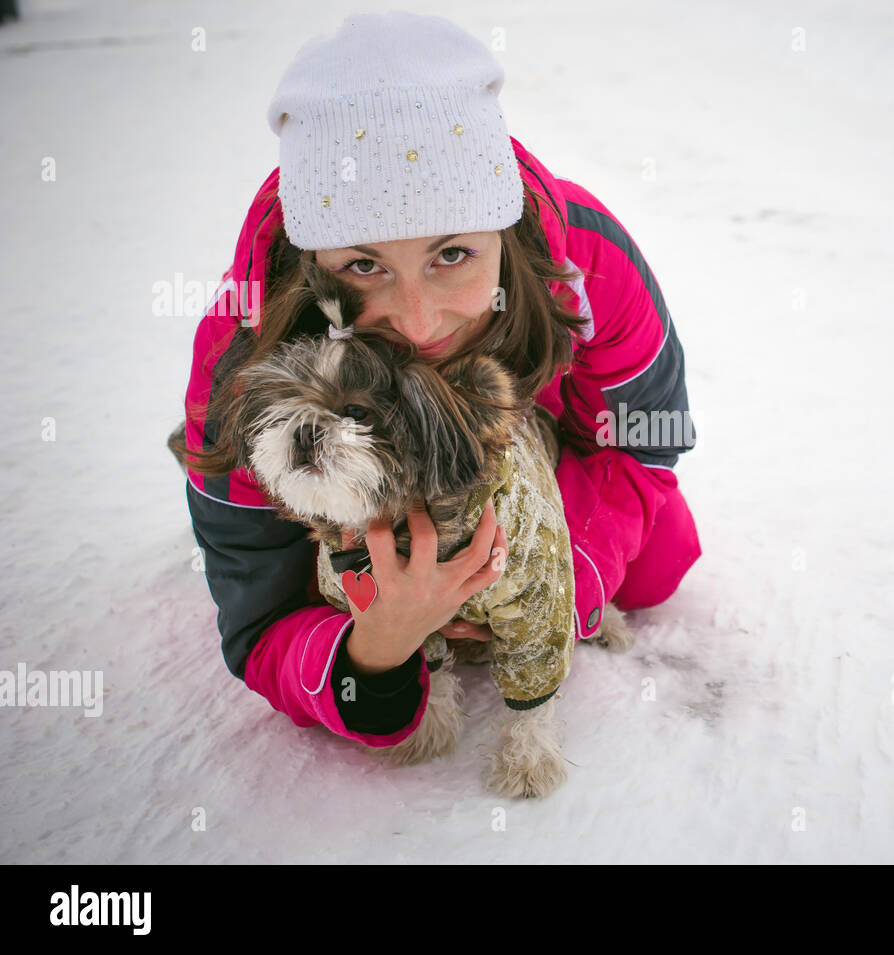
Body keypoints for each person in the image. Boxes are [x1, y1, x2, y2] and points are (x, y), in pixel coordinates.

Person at [177, 12, 701, 748]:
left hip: (543, 483)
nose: (419, 323)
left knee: (659, 563)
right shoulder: (243, 339)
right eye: (364, 266)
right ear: (313, 267)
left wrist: (559, 571)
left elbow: (647, 442)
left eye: (452, 253)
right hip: (355, 523)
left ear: (503, 223)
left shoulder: (592, 260)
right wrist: (378, 645)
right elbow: (258, 615)